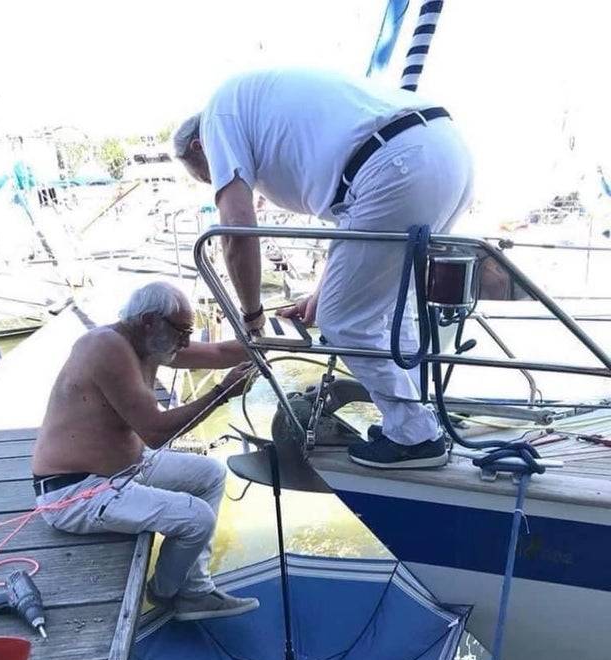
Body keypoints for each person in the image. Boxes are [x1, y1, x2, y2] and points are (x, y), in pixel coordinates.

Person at [174, 68, 474, 469]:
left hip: (396, 165)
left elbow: (236, 231)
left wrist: (251, 315)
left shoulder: (218, 121)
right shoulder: (255, 106)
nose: (218, 181)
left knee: (343, 323)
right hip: (442, 151)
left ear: (200, 145)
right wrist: (321, 292)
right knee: (382, 312)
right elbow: (351, 222)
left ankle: (416, 438)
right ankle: (417, 421)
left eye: (207, 176)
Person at [32, 281, 259, 620]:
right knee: (197, 519)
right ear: (149, 320)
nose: (184, 342)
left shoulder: (149, 343)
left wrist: (272, 341)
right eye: (181, 332)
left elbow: (219, 354)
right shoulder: (105, 347)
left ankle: (195, 589)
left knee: (210, 474)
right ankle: (166, 593)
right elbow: (155, 432)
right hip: (77, 491)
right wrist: (222, 392)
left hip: (124, 469)